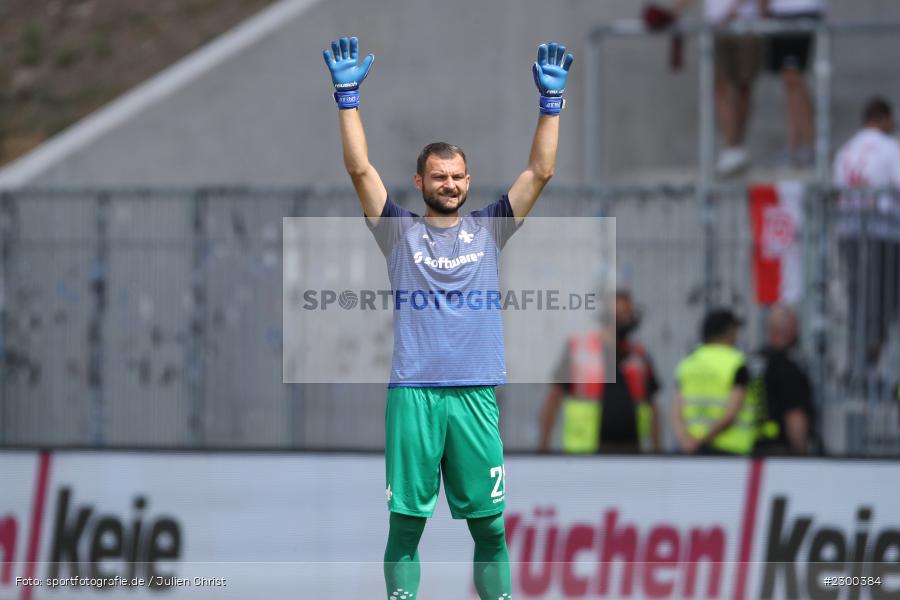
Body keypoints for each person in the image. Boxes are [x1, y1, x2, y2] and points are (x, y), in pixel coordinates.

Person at [322, 36, 573, 600]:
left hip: (475, 395)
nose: (451, 184)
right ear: (420, 183)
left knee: (490, 527)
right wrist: (347, 99)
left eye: (458, 176)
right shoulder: (399, 233)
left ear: (467, 178)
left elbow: (540, 172)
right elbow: (360, 169)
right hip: (413, 394)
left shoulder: (490, 230)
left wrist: (550, 108)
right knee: (406, 526)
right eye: (439, 176)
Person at [538, 290, 661, 454]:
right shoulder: (578, 350)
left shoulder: (639, 355)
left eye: (629, 313)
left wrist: (657, 450)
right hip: (586, 453)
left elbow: (651, 405)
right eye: (623, 313)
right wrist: (543, 446)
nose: (629, 318)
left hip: (632, 452)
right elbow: (554, 398)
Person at [833, 97, 900, 367]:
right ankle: (869, 353)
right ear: (883, 118)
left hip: (849, 232)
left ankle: (860, 358)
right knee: (886, 298)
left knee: (859, 297)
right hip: (883, 233)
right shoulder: (888, 148)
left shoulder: (845, 150)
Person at [674, 0, 766, 176]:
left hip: (745, 22)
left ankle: (736, 146)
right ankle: (731, 148)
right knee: (720, 86)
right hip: (715, 25)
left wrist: (733, 10)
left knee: (743, 87)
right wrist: (677, 10)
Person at [671, 308, 757, 455]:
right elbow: (731, 414)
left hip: (690, 450)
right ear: (729, 332)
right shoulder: (736, 363)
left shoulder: (688, 364)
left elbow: (675, 412)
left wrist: (686, 441)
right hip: (730, 450)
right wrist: (702, 441)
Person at [762, 0, 826, 168]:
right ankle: (794, 145)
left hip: (800, 10)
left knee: (794, 78)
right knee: (789, 81)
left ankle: (810, 144)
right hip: (780, 12)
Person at [748, 304, 814, 455]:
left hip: (747, 449)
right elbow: (794, 416)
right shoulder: (787, 368)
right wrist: (801, 452)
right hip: (779, 452)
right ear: (790, 329)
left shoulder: (750, 363)